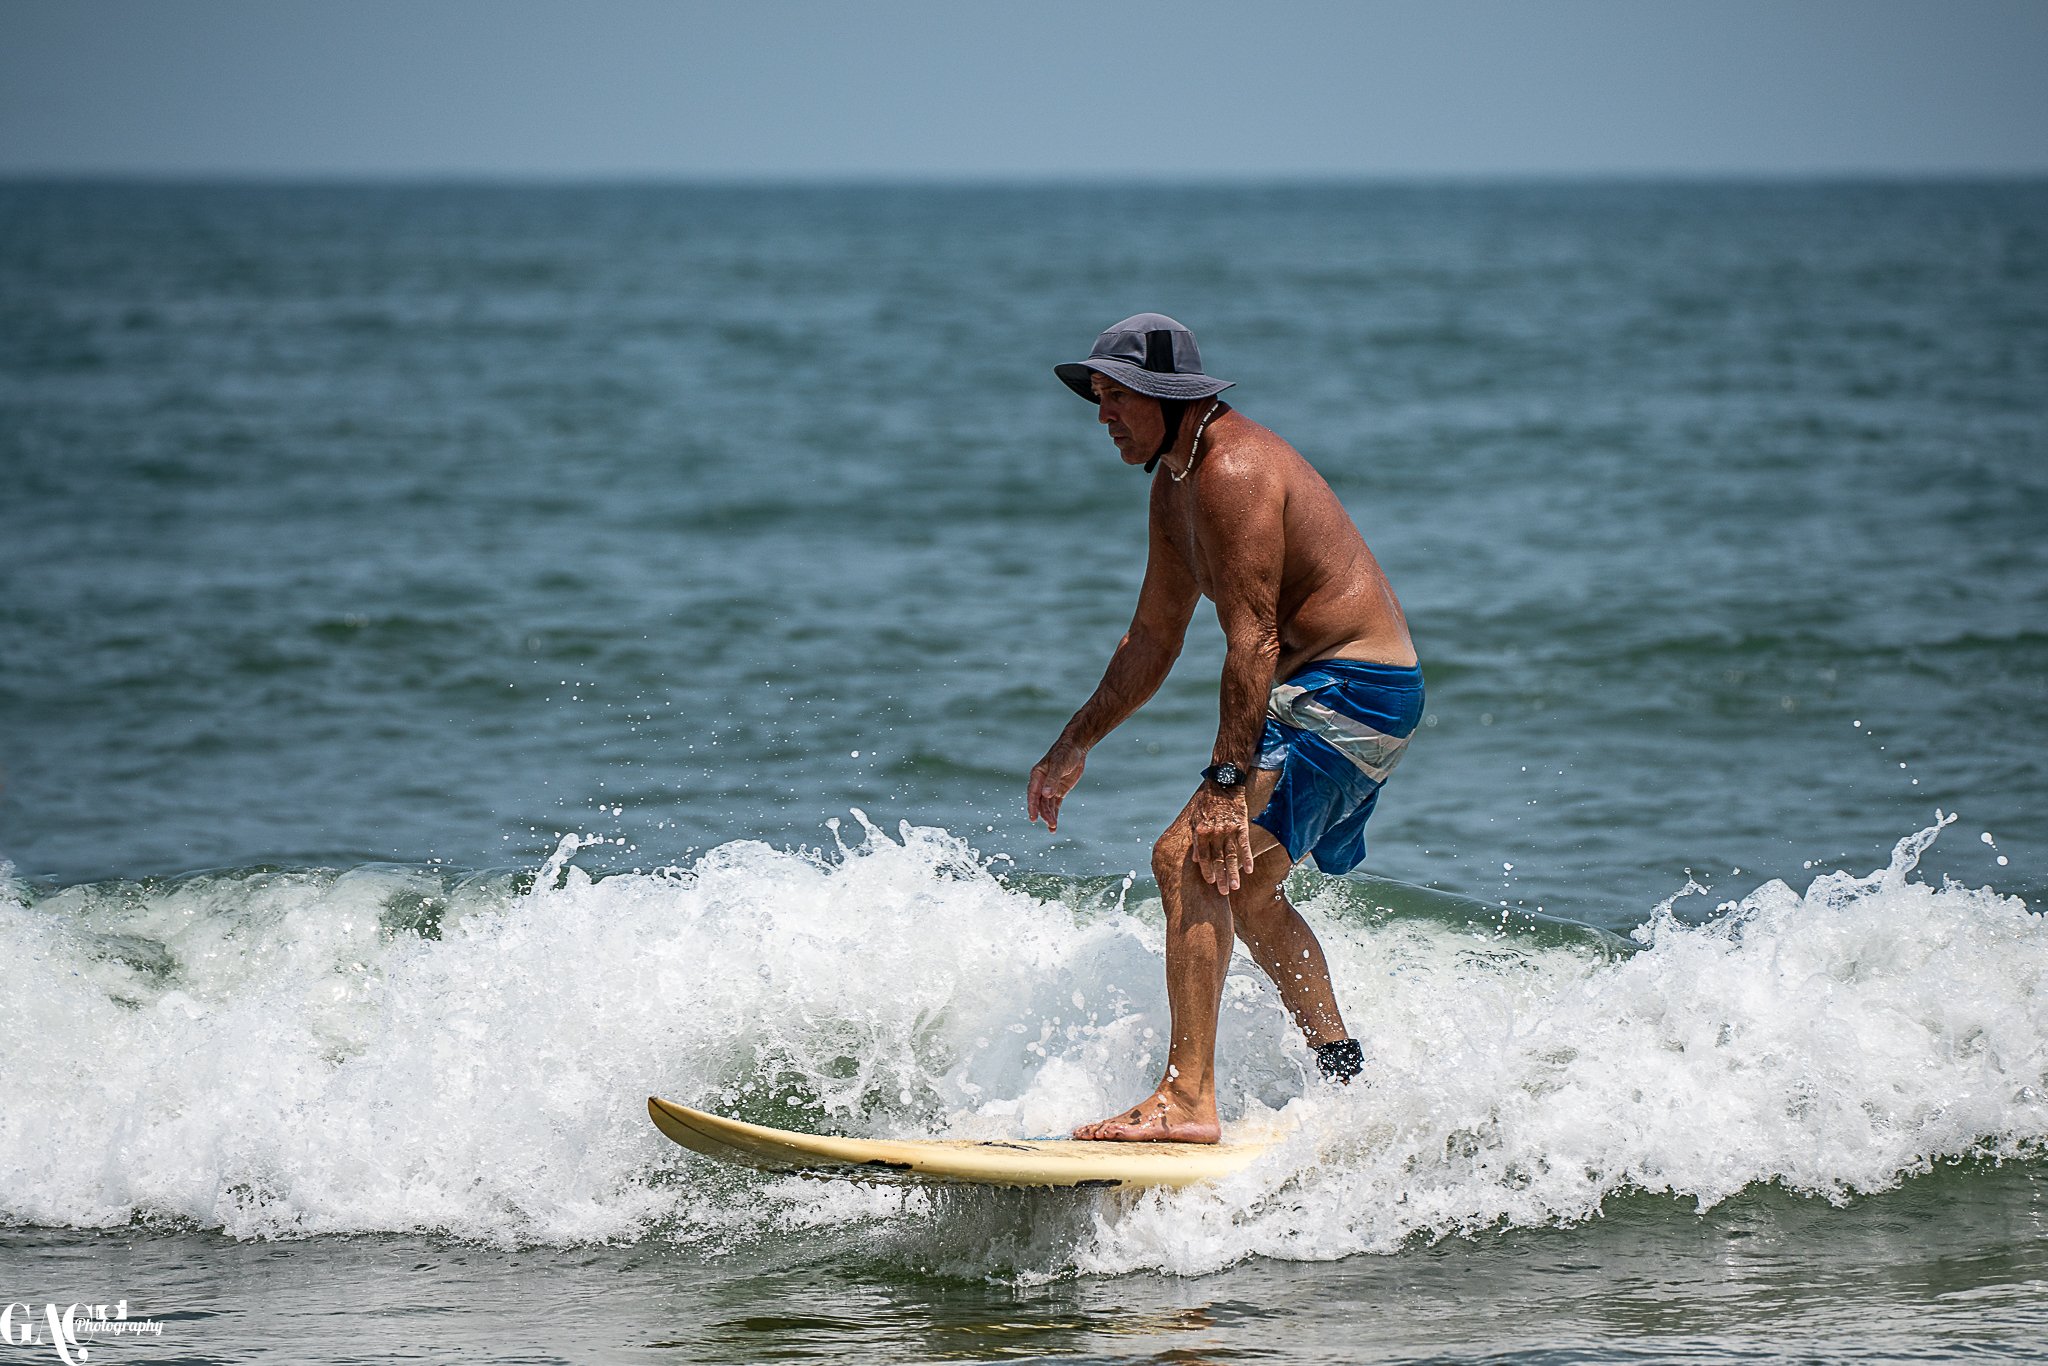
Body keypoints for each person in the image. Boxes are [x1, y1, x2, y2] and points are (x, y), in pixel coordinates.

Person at [1026, 313, 1423, 1143]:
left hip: (1354, 687)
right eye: (1096, 399)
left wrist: (1224, 785)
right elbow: (1154, 636)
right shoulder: (1173, 486)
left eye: (1115, 399)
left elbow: (1255, 638)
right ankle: (1344, 1075)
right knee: (1249, 884)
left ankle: (1187, 1099)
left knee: (1194, 855)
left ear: (1167, 398)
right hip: (1327, 687)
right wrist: (1075, 741)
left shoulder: (1233, 470)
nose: (1101, 416)